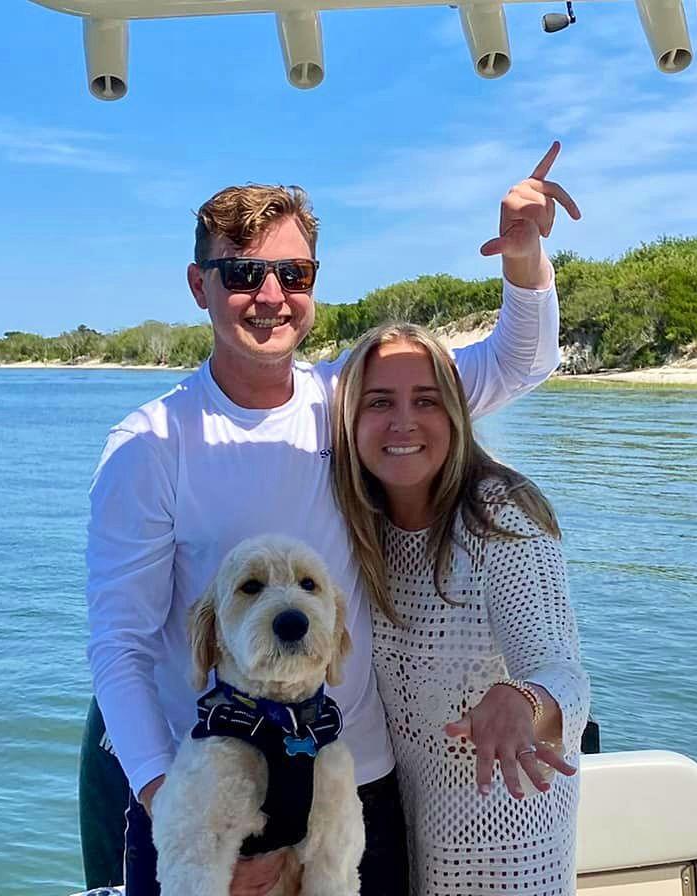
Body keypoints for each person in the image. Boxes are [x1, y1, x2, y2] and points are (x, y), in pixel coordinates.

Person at [84, 142, 581, 896]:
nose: (271, 295)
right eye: (242, 273)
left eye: (294, 274)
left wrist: (523, 256)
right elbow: (120, 647)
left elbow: (518, 363)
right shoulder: (151, 445)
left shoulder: (353, 403)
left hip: (353, 788)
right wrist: (181, 813)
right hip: (214, 802)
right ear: (199, 285)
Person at [330, 322, 590, 895]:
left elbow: (563, 672)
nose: (403, 421)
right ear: (350, 420)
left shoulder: (500, 519)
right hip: (406, 836)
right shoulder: (357, 526)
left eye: (426, 400)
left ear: (455, 413)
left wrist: (524, 700)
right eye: (380, 402)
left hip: (513, 847)